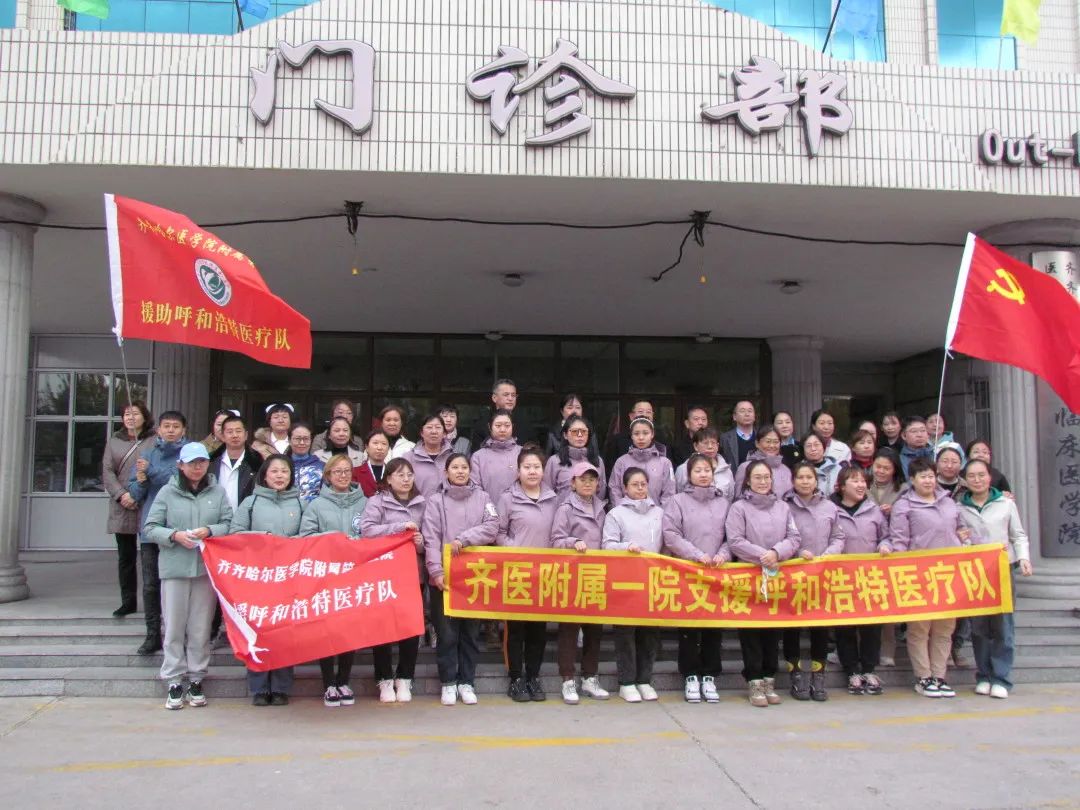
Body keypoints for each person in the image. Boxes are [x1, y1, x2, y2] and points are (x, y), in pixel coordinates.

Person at [142, 442, 232, 710]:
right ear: (180, 465)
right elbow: (150, 527)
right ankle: (173, 679)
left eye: (201, 462)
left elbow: (229, 523)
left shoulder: (217, 492)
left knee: (200, 627)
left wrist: (210, 530)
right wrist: (174, 535)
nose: (197, 467)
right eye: (191, 463)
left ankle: (196, 677)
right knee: (173, 626)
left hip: (205, 569)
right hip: (175, 568)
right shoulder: (167, 492)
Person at [887, 456, 972, 698]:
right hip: (919, 575)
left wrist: (965, 538)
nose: (928, 480)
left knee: (944, 628)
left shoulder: (949, 502)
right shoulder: (904, 506)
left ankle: (939, 676)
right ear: (912, 480)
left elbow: (961, 529)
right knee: (919, 628)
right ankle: (923, 677)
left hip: (949, 575)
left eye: (931, 476)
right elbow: (899, 541)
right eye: (922, 476)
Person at [422, 454, 499, 706]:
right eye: (454, 467)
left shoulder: (483, 498)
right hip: (444, 576)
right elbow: (431, 538)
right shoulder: (436, 501)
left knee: (470, 633)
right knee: (446, 634)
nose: (460, 471)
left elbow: (492, 526)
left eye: (464, 467)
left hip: (474, 576)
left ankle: (467, 682)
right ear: (446, 472)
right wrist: (436, 571)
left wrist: (464, 539)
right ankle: (448, 682)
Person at [725, 460, 800, 708]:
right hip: (749, 576)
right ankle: (754, 680)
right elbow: (735, 540)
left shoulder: (783, 507)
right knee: (751, 631)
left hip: (776, 576)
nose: (763, 481)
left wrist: (777, 553)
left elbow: (794, 537)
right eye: (757, 477)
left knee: (772, 630)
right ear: (748, 481)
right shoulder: (739, 508)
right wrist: (762, 555)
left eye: (766, 477)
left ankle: (769, 678)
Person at [230, 454, 303, 707]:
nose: (280, 476)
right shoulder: (250, 503)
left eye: (285, 471)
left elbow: (308, 536)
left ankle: (281, 687)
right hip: (258, 578)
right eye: (275, 471)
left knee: (286, 634)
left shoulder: (301, 503)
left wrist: (291, 544)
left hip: (288, 578)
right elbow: (235, 533)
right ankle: (259, 687)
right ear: (264, 475)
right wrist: (264, 537)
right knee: (258, 632)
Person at [958, 458, 1033, 699]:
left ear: (990, 477)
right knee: (979, 627)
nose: (977, 480)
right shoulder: (960, 508)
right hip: (975, 573)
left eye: (981, 475)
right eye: (971, 476)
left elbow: (1018, 535)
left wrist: (1023, 558)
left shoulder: (1005, 504)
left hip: (1002, 569)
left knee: (1003, 625)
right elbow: (959, 540)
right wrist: (963, 540)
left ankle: (1001, 677)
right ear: (965, 480)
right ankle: (983, 675)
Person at [300, 453, 369, 707]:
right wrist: (333, 540)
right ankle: (329, 683)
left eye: (346, 471)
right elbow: (306, 536)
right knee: (326, 630)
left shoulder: (365, 502)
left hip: (355, 574)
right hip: (326, 576)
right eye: (337, 472)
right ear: (328, 476)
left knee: (349, 630)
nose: (342, 476)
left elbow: (372, 532)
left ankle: (343, 680)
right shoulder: (316, 505)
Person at [663, 453, 731, 704]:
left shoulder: (724, 503)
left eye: (707, 470)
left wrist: (723, 554)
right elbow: (671, 535)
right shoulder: (677, 501)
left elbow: (732, 535)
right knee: (689, 626)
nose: (703, 475)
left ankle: (710, 675)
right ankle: (690, 674)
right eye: (698, 470)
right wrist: (696, 555)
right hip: (688, 571)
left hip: (716, 571)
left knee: (714, 626)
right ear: (689, 475)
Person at [360, 458, 427, 702]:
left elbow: (429, 539)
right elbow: (367, 530)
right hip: (384, 575)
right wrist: (399, 528)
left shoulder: (422, 503)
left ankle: (405, 677)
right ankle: (384, 678)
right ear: (388, 478)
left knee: (411, 628)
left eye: (409, 474)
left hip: (412, 574)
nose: (406, 479)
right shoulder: (377, 501)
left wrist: (420, 544)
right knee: (383, 629)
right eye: (400, 474)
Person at [496, 447, 558, 702]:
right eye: (527, 467)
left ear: (543, 471)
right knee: (515, 630)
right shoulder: (507, 498)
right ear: (518, 470)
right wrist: (515, 550)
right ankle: (515, 678)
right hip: (516, 573)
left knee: (538, 630)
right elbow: (498, 532)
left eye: (537, 467)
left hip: (544, 574)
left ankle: (533, 676)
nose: (532, 472)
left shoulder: (553, 498)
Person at [782, 461, 844, 701]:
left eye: (809, 477)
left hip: (821, 574)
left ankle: (819, 676)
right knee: (791, 627)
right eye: (800, 477)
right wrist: (798, 554)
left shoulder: (829, 507)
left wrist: (828, 554)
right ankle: (796, 674)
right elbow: (781, 536)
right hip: (793, 574)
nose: (805, 481)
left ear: (816, 481)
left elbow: (838, 537)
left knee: (820, 626)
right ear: (793, 481)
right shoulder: (784, 506)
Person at [127, 409, 188, 655]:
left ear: (183, 430)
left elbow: (180, 479)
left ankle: (181, 633)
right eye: (167, 426)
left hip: (182, 530)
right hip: (152, 529)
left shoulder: (189, 453)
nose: (171, 430)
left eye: (176, 426)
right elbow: (135, 493)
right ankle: (153, 634)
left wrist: (151, 472)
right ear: (159, 429)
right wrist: (141, 479)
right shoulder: (146, 454)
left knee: (181, 584)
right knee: (151, 585)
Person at [602, 467, 664, 703]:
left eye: (643, 484)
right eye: (634, 484)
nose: (640, 488)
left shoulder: (659, 513)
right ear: (625, 488)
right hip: (625, 581)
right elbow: (607, 545)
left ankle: (644, 679)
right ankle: (626, 682)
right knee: (625, 633)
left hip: (653, 580)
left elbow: (666, 543)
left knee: (650, 633)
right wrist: (626, 547)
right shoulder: (616, 514)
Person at [551, 461, 610, 704]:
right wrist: (573, 541)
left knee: (595, 630)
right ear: (572, 483)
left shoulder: (603, 508)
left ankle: (589, 677)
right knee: (569, 629)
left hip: (596, 575)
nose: (588, 483)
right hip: (572, 576)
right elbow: (556, 540)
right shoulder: (565, 508)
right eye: (582, 479)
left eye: (592, 480)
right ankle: (567, 679)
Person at [831, 466, 889, 695]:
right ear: (841, 486)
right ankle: (851, 670)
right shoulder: (831, 510)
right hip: (841, 577)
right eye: (854, 481)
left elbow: (886, 536)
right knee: (845, 626)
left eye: (863, 481)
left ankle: (869, 669)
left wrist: (885, 545)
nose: (860, 485)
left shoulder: (874, 510)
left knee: (871, 626)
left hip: (870, 577)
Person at [102, 401, 155, 617]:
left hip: (147, 502)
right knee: (126, 557)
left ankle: (153, 602)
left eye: (135, 413)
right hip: (122, 504)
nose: (131, 418)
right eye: (127, 414)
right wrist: (122, 495)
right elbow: (107, 472)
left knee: (150, 556)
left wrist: (137, 494)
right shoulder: (114, 441)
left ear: (145, 417)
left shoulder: (154, 440)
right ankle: (128, 601)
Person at [867, 447, 906, 667]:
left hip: (890, 550)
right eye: (878, 466)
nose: (881, 471)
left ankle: (888, 650)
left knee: (886, 603)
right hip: (866, 549)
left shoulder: (904, 490)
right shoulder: (863, 484)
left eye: (886, 468)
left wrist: (895, 510)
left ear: (895, 470)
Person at [608, 417, 676, 507]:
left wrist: (661, 513)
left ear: (652, 434)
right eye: (636, 434)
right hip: (626, 513)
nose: (641, 437)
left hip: (656, 513)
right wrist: (621, 511)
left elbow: (669, 493)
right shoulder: (621, 462)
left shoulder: (665, 463)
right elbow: (614, 489)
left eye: (645, 433)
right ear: (631, 436)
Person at [543, 415, 607, 502]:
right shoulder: (554, 461)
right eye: (574, 431)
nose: (580, 435)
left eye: (584, 431)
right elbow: (547, 492)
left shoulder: (598, 461)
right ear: (565, 435)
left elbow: (601, 492)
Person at [210, 414, 263, 512]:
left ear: (246, 435)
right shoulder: (211, 462)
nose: (235, 435)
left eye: (238, 431)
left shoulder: (257, 462)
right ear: (223, 436)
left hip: (246, 516)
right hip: (216, 517)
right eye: (230, 432)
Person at [470, 409, 521, 504]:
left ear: (512, 426)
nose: (502, 429)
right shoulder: (478, 456)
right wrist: (489, 509)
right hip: (488, 509)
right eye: (498, 425)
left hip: (519, 509)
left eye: (507, 426)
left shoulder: (522, 453)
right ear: (490, 427)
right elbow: (475, 488)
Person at [673, 427, 734, 498]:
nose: (710, 447)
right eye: (705, 443)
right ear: (695, 446)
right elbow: (678, 496)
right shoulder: (683, 469)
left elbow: (730, 498)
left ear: (717, 446)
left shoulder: (726, 470)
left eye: (713, 443)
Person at [733, 427, 793, 498]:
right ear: (757, 443)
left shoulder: (785, 469)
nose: (772, 445)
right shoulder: (745, 467)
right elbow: (739, 497)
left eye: (776, 442)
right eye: (768, 441)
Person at [404, 413, 454, 497]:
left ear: (444, 433)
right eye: (429, 427)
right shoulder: (409, 458)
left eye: (438, 427)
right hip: (417, 505)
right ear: (422, 433)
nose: (434, 431)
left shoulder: (453, 458)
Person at [604, 400, 658, 470]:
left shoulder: (662, 444)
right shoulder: (617, 441)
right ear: (631, 416)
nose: (644, 415)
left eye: (648, 412)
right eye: (640, 411)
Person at [544, 394, 600, 459]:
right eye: (570, 408)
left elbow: (595, 457)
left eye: (578, 407)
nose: (574, 411)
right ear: (562, 411)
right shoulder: (553, 433)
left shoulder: (590, 430)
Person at [470, 379, 518, 451]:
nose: (510, 398)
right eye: (506, 395)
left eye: (513, 395)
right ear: (494, 398)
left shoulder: (523, 421)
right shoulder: (482, 423)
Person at [287, 421, 325, 504]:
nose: (302, 443)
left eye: (306, 439)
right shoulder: (282, 465)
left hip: (314, 510)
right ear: (289, 440)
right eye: (297, 439)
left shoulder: (321, 466)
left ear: (311, 440)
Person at [720, 400, 756, 470]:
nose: (747, 414)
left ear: (754, 416)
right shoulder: (725, 438)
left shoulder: (761, 436)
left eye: (750, 411)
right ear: (734, 417)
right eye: (742, 411)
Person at [801, 432, 840, 496]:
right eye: (808, 446)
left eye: (816, 445)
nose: (813, 449)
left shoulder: (838, 469)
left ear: (823, 447)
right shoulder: (798, 470)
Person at [670, 404, 709, 469]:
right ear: (687, 423)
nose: (700, 422)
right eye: (696, 419)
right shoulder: (678, 448)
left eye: (703, 419)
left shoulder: (714, 446)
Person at [353, 430, 390, 497]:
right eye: (375, 443)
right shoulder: (355, 473)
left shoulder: (393, 473)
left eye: (384, 444)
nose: (379, 448)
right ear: (367, 447)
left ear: (388, 449)